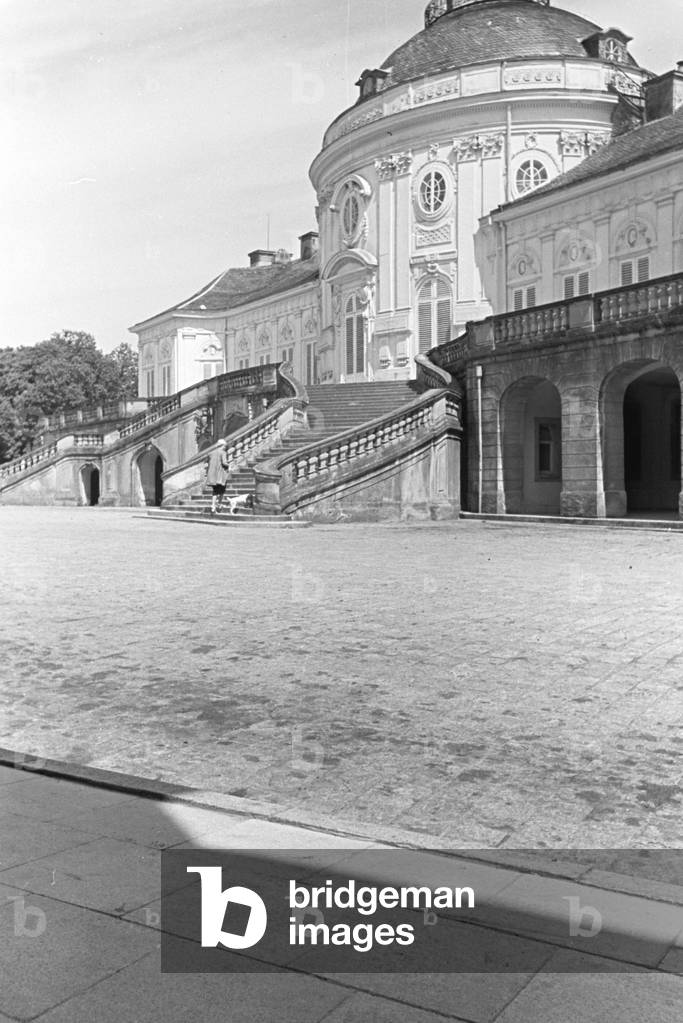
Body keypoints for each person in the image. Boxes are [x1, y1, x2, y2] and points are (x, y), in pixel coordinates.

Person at [206, 439, 230, 514]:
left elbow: (208, 463)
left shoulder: (211, 453)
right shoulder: (223, 453)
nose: (225, 447)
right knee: (222, 490)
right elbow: (224, 463)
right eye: (224, 446)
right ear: (222, 445)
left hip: (213, 475)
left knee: (215, 491)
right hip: (220, 475)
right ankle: (219, 505)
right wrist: (229, 466)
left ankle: (213, 506)